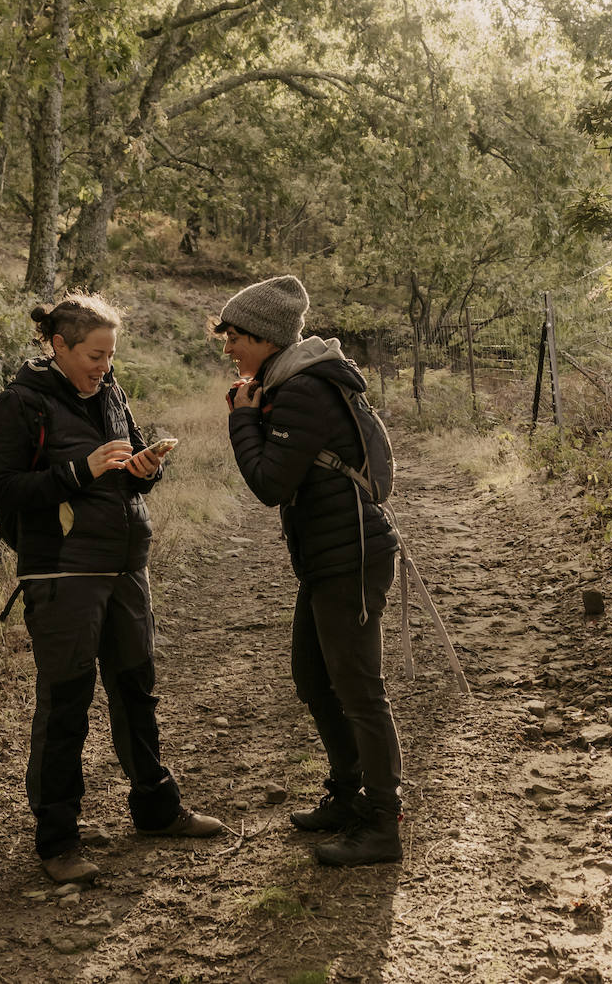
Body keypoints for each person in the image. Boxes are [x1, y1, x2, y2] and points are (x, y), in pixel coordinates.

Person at [0, 292, 222, 884]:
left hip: (126, 567)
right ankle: (58, 842)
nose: (105, 366)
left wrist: (147, 468)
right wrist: (80, 470)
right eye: (94, 354)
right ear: (58, 346)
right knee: (65, 705)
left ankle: (157, 811)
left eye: (111, 355)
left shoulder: (111, 394)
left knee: (137, 691)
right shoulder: (18, 404)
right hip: (62, 574)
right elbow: (7, 493)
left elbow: (128, 477)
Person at [217, 275, 404, 867]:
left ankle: (381, 823)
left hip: (349, 557)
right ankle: (348, 795)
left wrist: (241, 422)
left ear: (266, 337)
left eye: (236, 336)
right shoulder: (288, 382)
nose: (229, 349)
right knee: (313, 676)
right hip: (332, 555)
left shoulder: (300, 391)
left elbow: (271, 484)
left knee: (358, 690)